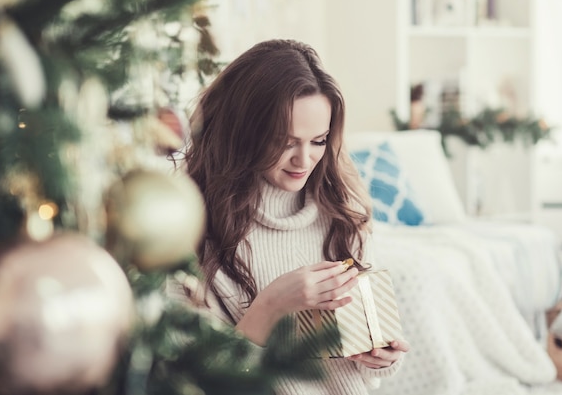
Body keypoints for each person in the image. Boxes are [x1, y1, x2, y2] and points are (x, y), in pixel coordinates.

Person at [175, 39, 409, 394]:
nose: (304, 160)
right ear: (242, 133)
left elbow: (369, 359)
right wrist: (270, 306)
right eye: (285, 142)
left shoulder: (344, 212)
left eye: (318, 140)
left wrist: (383, 356)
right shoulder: (188, 227)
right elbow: (199, 380)